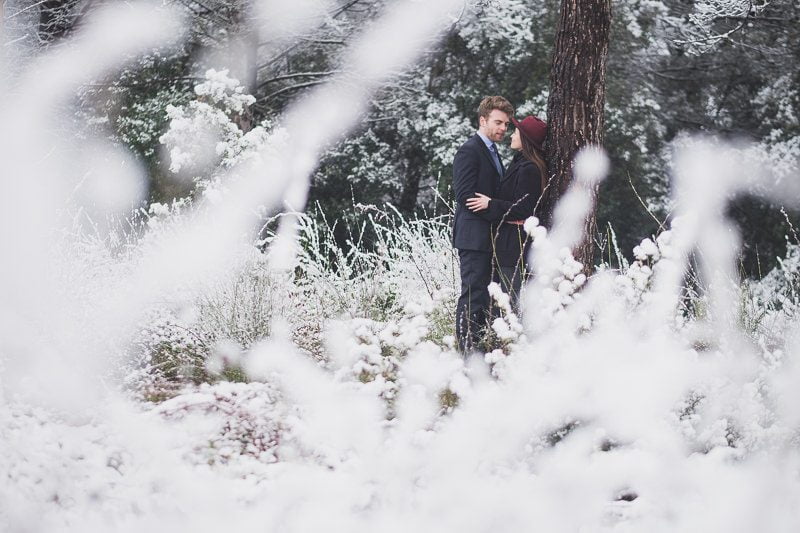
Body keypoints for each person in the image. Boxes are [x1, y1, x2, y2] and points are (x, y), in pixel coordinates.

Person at [452, 96, 514, 353]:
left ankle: (480, 350)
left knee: (486, 297)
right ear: (483, 120)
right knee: (472, 295)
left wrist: (494, 205)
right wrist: (494, 209)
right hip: (473, 237)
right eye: (498, 122)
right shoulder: (470, 150)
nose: (503, 128)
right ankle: (467, 353)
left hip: (487, 237)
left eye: (506, 124)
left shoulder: (492, 151)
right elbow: (464, 194)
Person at [465, 115, 547, 308]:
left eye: (516, 132)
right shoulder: (520, 163)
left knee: (514, 300)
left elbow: (525, 208)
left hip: (515, 246)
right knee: (507, 300)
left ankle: (518, 337)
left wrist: (490, 204)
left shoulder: (529, 169)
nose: (511, 135)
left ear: (525, 139)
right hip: (508, 244)